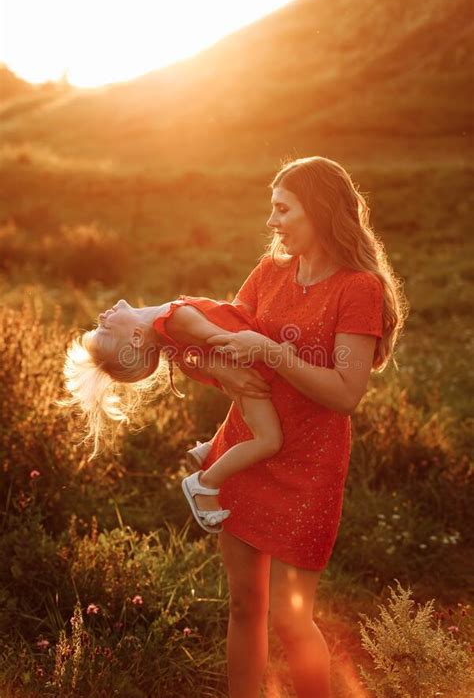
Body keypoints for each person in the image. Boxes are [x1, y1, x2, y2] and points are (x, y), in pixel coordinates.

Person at [62, 155, 407, 698]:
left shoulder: (357, 288)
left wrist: (269, 348)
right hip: (245, 452)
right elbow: (229, 352)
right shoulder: (270, 272)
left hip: (309, 468)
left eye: (281, 208)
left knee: (293, 621)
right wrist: (186, 355)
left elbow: (345, 395)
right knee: (245, 607)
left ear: (318, 210)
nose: (271, 222)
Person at [61, 291, 296, 532]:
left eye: (99, 325)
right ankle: (204, 484)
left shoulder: (164, 325)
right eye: (105, 328)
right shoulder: (174, 320)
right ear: (136, 337)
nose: (101, 316)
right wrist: (275, 351)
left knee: (257, 424)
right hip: (247, 369)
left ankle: (214, 446)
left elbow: (190, 350)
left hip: (240, 367)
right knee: (269, 440)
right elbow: (231, 341)